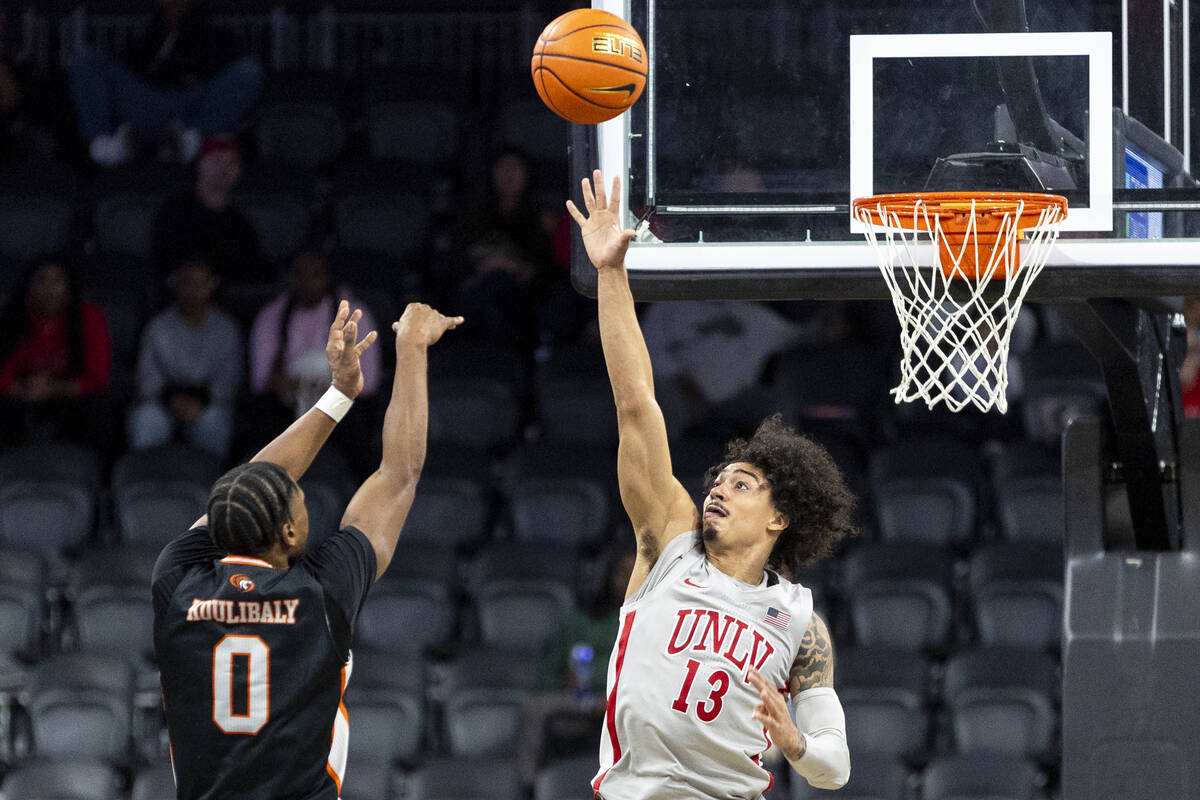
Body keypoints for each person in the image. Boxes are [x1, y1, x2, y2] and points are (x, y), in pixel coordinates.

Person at [566, 170, 855, 797]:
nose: (718, 490)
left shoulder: (800, 622)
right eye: (718, 479)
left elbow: (835, 766)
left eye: (744, 484)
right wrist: (611, 277)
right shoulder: (668, 543)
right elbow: (637, 403)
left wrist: (797, 741)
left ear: (781, 517)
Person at [152, 300, 462, 798]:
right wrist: (411, 348)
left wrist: (337, 396)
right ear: (290, 535)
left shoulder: (176, 583)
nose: (304, 494)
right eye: (299, 501)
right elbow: (398, 475)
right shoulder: (321, 594)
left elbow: (246, 488)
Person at [68, 0, 263, 167]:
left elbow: (226, 74)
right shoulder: (146, 31)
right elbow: (128, 67)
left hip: (191, 110)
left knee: (249, 71)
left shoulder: (215, 34)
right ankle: (105, 145)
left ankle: (188, 144)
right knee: (86, 60)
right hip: (145, 103)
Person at [0, 256, 119, 460]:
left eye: (57, 281)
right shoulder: (12, 317)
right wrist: (23, 390)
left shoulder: (89, 317)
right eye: (41, 281)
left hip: (71, 395)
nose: (49, 289)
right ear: (28, 288)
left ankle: (96, 477)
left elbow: (98, 377)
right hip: (24, 394)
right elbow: (3, 374)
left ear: (68, 289)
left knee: (102, 407)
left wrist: (54, 389)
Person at [129, 256, 242, 459]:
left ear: (211, 286)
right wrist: (170, 400)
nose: (193, 290)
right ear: (175, 286)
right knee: (146, 420)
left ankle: (214, 485)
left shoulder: (226, 329)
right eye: (187, 283)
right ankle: (147, 482)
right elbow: (147, 379)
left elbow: (228, 381)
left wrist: (200, 403)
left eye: (201, 283)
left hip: (208, 403)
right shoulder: (157, 326)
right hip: (163, 401)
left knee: (215, 421)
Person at [150, 133, 265, 287]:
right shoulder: (174, 212)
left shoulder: (240, 223)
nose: (224, 169)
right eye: (217, 160)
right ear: (200, 164)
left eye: (232, 163)